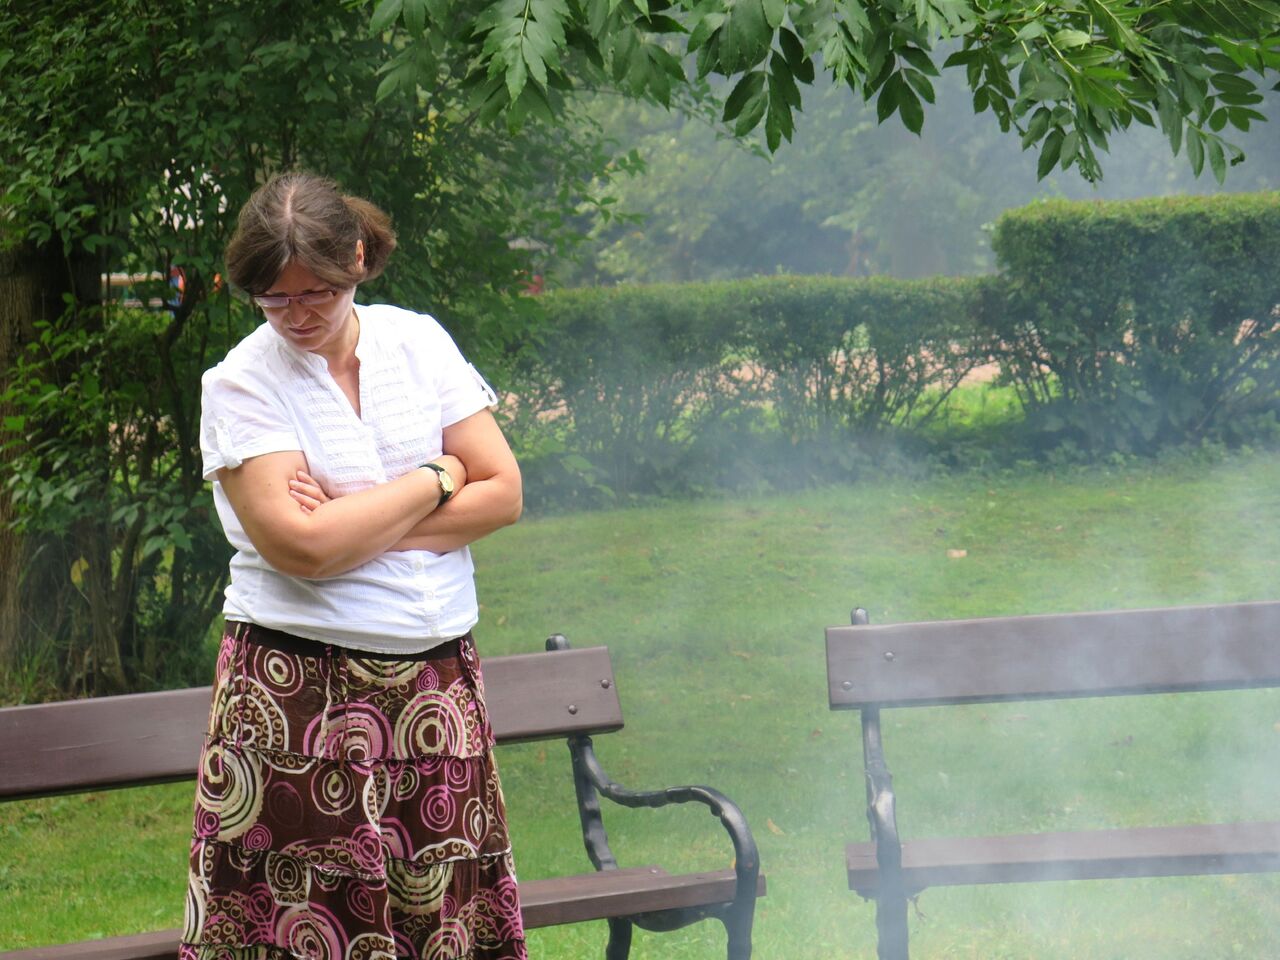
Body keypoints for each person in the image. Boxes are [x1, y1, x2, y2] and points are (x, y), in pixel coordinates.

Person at [180, 172, 526, 960]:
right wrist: (436, 477)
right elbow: (302, 550)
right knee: (307, 923)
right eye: (274, 300)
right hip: (299, 692)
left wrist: (352, 519)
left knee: (440, 920)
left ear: (359, 261)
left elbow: (504, 493)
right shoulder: (240, 383)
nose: (297, 315)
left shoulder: (419, 342)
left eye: (319, 293)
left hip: (436, 688)